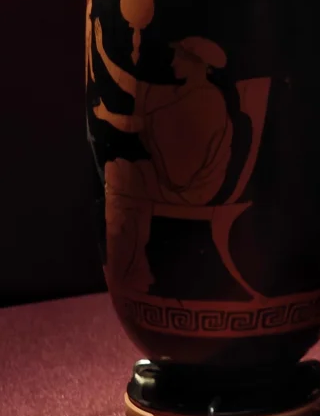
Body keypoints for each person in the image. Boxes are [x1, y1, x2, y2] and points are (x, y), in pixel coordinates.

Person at [92, 23, 233, 294]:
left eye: (179, 57)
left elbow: (144, 125)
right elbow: (133, 85)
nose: (172, 62)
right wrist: (100, 49)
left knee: (124, 183)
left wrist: (108, 116)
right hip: (180, 179)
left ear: (196, 64)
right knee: (118, 171)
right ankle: (135, 267)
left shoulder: (206, 99)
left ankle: (133, 270)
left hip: (194, 187)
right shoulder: (182, 93)